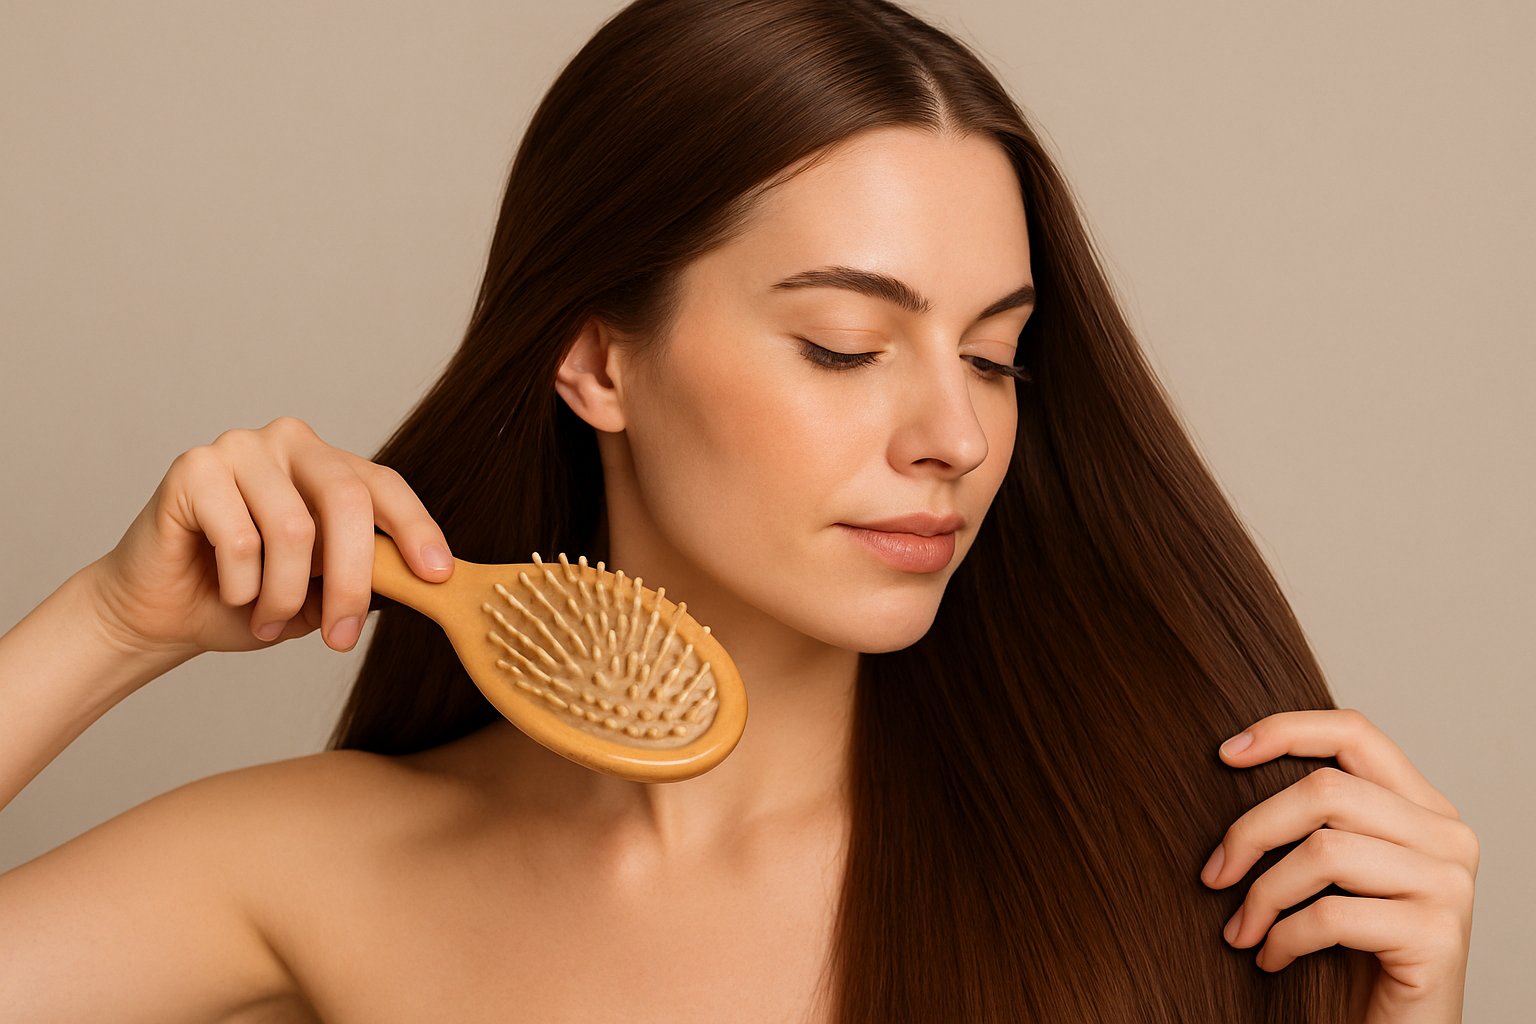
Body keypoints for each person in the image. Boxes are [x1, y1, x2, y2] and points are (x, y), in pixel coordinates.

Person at [0, 0, 1476, 1020]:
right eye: (844, 345)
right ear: (598, 360)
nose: (956, 435)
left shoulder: (1186, 857)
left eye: (996, 356)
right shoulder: (317, 870)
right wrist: (108, 626)